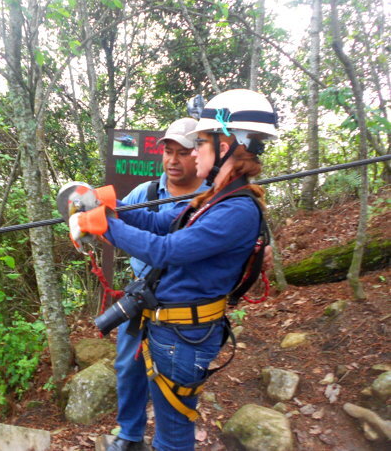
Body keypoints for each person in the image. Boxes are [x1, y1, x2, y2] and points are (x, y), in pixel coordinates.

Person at [70, 89, 277, 451]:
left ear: (228, 144)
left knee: (172, 435)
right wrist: (109, 205)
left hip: (183, 338)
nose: (194, 152)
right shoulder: (217, 198)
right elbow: (162, 222)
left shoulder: (237, 210)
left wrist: (103, 225)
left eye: (200, 143)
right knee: (169, 429)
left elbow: (166, 251)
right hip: (172, 330)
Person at [111, 118, 208, 451]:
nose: (173, 160)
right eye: (168, 151)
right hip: (142, 295)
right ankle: (130, 433)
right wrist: (92, 210)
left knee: (170, 380)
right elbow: (123, 219)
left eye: (183, 153)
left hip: (184, 306)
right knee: (128, 365)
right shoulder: (148, 193)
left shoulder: (214, 198)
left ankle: (168, 440)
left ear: (200, 154)